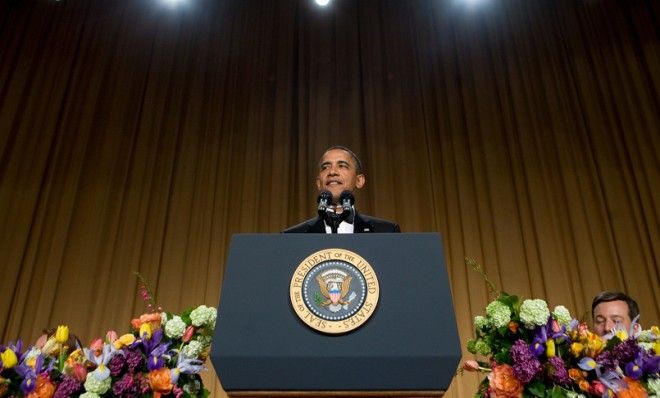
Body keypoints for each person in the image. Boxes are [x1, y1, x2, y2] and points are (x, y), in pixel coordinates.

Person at [283, 145, 400, 233]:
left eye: (342, 166)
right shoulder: (294, 236)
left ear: (359, 181)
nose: (332, 172)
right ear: (318, 183)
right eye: (325, 167)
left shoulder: (385, 231)